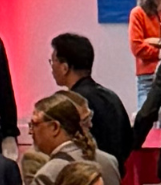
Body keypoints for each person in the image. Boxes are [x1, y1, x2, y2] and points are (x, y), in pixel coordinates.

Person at [30, 93, 123, 185]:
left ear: (54, 127)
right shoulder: (109, 161)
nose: (30, 132)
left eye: (35, 124)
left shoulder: (47, 176)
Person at [52, 33, 135, 168]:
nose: (51, 67)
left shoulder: (70, 104)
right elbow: (128, 140)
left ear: (64, 67)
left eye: (53, 61)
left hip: (84, 172)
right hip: (115, 171)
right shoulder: (111, 97)